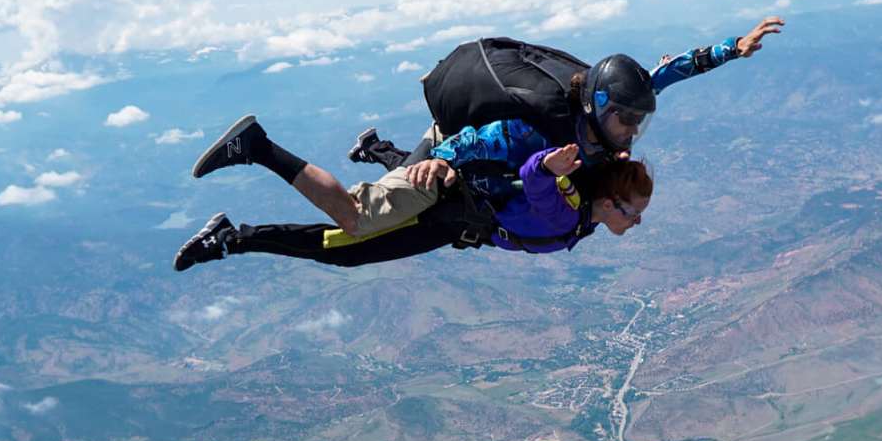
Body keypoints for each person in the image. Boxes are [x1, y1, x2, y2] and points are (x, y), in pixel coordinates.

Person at [180, 17, 782, 242]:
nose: (633, 130)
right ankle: (255, 145)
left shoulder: (604, 112)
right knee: (357, 222)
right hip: (458, 146)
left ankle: (378, 150)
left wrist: (731, 49)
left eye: (638, 120)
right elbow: (478, 146)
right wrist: (439, 163)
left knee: (413, 184)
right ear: (601, 105)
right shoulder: (547, 131)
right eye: (628, 118)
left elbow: (660, 75)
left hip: (460, 140)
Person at [173, 143, 649, 270]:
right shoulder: (568, 206)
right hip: (444, 216)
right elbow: (534, 179)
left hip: (453, 216)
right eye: (632, 211)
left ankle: (375, 148)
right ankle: (233, 234)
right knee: (346, 239)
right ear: (611, 202)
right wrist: (549, 166)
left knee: (397, 188)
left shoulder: (585, 211)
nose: (637, 221)